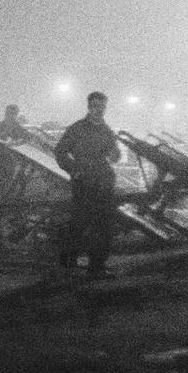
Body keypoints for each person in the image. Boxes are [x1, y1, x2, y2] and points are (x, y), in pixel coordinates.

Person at [54, 91, 120, 276]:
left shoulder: (107, 130)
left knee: (104, 226)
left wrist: (115, 154)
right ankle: (68, 261)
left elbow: (114, 154)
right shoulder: (77, 129)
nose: (99, 110)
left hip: (103, 183)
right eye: (96, 106)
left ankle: (97, 265)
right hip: (83, 182)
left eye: (102, 107)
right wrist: (74, 170)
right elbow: (60, 151)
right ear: (89, 107)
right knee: (80, 223)